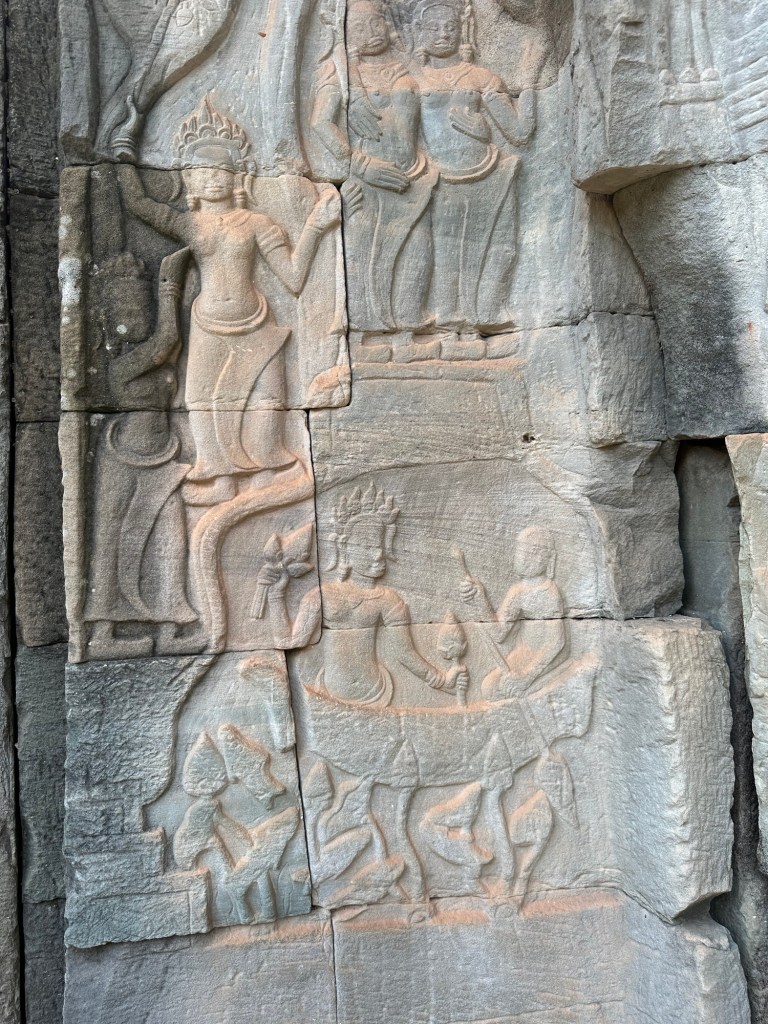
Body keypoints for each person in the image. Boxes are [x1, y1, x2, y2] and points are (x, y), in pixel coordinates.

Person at [116, 97, 340, 500]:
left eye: (221, 170)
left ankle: (268, 472)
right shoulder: (189, 223)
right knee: (201, 400)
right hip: (207, 324)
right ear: (189, 179)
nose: (213, 179)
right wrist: (124, 150)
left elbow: (293, 277)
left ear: (238, 178)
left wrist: (315, 227)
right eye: (203, 172)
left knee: (266, 398)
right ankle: (219, 478)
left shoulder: (256, 222)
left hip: (255, 321)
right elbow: (137, 204)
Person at [83, 249, 199, 658]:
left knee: (173, 539)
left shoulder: (162, 361)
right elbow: (167, 341)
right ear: (110, 318)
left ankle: (170, 628)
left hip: (164, 456)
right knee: (111, 541)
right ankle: (103, 634)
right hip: (123, 457)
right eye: (126, 310)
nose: (136, 317)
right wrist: (169, 286)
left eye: (141, 307)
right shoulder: (121, 366)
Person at [311, 0, 437, 334]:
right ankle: (367, 332)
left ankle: (410, 328)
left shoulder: (406, 66)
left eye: (376, 23)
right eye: (359, 27)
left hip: (414, 175)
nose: (372, 33)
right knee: (366, 256)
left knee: (418, 250)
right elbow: (320, 123)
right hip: (368, 180)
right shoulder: (338, 73)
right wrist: (362, 165)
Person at [411, 0, 535, 336]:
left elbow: (520, 132)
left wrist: (530, 82)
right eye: (434, 28)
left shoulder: (481, 77)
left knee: (501, 248)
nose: (443, 34)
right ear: (420, 33)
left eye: (450, 27)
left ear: (463, 31)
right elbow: (400, 136)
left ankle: (489, 316)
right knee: (446, 254)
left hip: (491, 172)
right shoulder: (412, 81)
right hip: (440, 178)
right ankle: (449, 326)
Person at [319, 484, 468, 706]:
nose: (377, 553)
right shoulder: (323, 594)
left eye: (379, 545)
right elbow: (290, 640)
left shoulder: (387, 599)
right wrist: (275, 594)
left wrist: (442, 681)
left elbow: (404, 653)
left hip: (376, 691)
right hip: (325, 693)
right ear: (344, 547)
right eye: (366, 546)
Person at [461, 526, 567, 701]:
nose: (523, 557)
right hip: (523, 654)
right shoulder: (517, 591)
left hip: (547, 657)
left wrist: (527, 677)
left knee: (500, 689)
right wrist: (480, 600)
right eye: (521, 551)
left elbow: (556, 642)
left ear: (545, 558)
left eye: (532, 552)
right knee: (489, 688)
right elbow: (499, 633)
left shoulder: (549, 593)